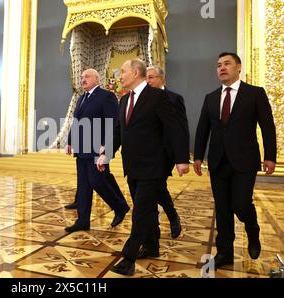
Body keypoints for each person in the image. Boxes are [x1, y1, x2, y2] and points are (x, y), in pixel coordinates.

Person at [97, 59, 190, 276]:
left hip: (153, 166)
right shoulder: (124, 100)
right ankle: (152, 246)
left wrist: (181, 159)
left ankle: (128, 258)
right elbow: (119, 132)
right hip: (133, 167)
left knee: (140, 212)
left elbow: (175, 128)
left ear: (136, 72)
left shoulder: (158, 96)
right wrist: (105, 155)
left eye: (123, 72)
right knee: (146, 211)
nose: (120, 76)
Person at [194, 52, 276, 269]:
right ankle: (224, 253)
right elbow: (203, 129)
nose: (222, 68)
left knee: (240, 204)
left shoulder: (255, 93)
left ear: (238, 67)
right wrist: (198, 156)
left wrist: (270, 156)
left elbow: (267, 126)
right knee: (222, 209)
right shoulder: (211, 97)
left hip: (245, 160)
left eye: (227, 64)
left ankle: (252, 229)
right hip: (218, 161)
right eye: (219, 65)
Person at [65, 69, 130, 233]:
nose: (82, 80)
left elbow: (113, 124)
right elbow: (76, 122)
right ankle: (83, 220)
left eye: (86, 77)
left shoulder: (106, 96)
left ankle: (120, 206)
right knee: (84, 186)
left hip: (97, 149)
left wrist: (105, 148)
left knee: (97, 182)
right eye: (81, 77)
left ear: (96, 79)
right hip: (81, 149)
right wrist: (70, 142)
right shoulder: (81, 98)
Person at [145, 66, 190, 240]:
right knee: (155, 187)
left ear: (162, 79)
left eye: (151, 77)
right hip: (147, 151)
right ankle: (166, 218)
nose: (148, 81)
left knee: (155, 185)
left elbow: (181, 128)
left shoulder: (174, 98)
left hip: (165, 152)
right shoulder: (143, 98)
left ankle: (169, 218)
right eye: (146, 78)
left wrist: (182, 157)